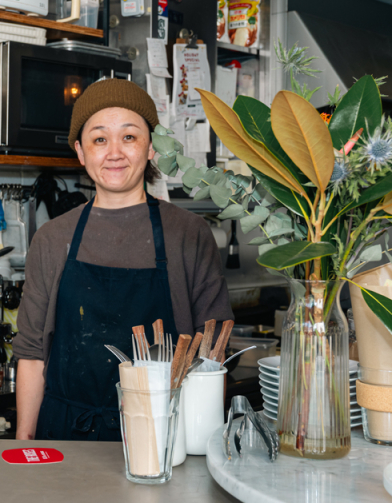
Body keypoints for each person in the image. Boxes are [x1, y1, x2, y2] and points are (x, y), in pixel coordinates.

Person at [14, 78, 233, 441]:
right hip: (64, 435)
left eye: (129, 137)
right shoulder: (52, 238)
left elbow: (212, 356)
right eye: (99, 139)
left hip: (163, 434)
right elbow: (32, 354)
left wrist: (200, 447)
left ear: (150, 148)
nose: (114, 152)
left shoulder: (188, 234)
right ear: (81, 152)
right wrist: (24, 441)